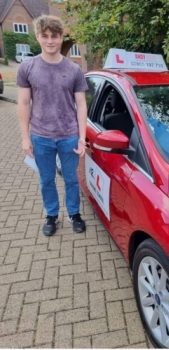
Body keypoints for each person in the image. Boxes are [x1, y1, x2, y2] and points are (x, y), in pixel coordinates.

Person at [17, 15, 88, 236]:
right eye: (45, 36)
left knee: (71, 179)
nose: (50, 41)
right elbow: (23, 103)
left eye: (54, 36)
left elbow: (81, 104)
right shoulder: (27, 68)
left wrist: (82, 137)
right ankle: (51, 214)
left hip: (69, 135)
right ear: (38, 36)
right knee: (46, 179)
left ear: (61, 37)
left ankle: (74, 213)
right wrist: (25, 137)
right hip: (40, 136)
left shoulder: (74, 70)